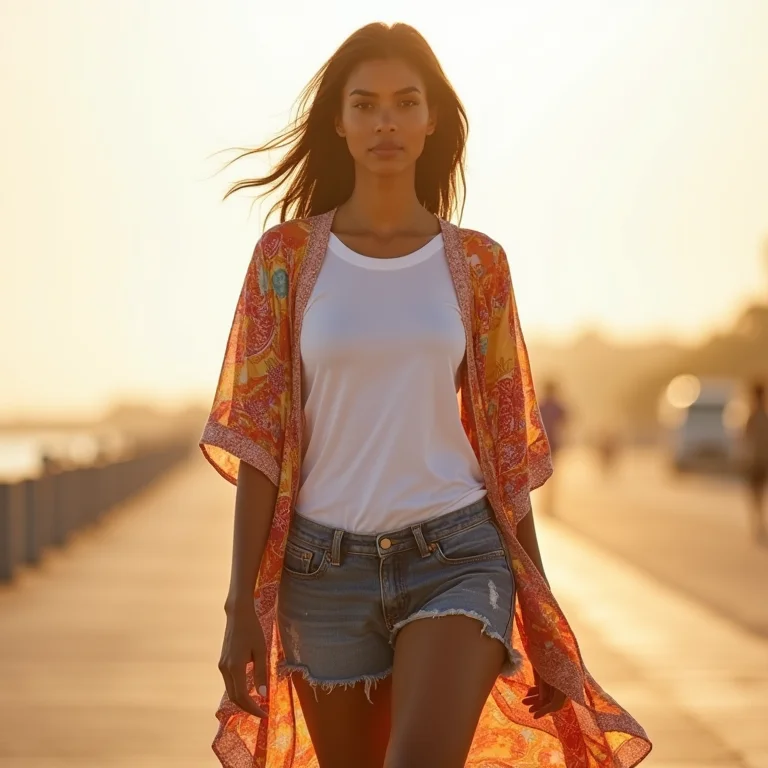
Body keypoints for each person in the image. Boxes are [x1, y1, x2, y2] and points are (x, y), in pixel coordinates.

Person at [201, 22, 650, 768]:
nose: (386, 120)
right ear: (339, 122)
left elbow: (507, 450)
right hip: (322, 573)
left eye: (406, 102)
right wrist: (240, 607)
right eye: (366, 104)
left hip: (457, 557)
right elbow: (257, 443)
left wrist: (539, 617)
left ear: (431, 118)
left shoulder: (477, 265)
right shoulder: (284, 260)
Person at [537, 380, 569, 515]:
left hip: (542, 445)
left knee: (544, 474)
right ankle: (548, 504)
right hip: (552, 445)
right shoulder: (557, 407)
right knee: (551, 475)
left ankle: (545, 504)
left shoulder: (540, 405)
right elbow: (566, 421)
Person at [743, 382, 768, 543]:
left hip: (761, 460)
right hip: (756, 461)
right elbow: (746, 439)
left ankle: (759, 522)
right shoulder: (753, 416)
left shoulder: (761, 416)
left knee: (757, 493)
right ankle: (758, 523)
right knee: (756, 494)